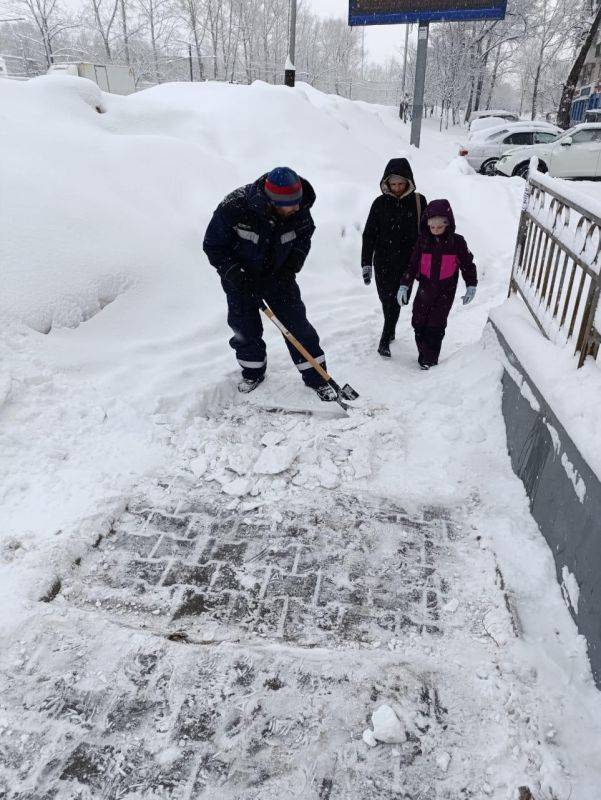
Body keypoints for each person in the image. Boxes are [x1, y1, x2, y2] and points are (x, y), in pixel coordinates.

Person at [203, 167, 336, 401]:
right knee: (244, 327)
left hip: (278, 278)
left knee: (297, 325)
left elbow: (302, 241)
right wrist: (235, 273)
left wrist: (290, 268)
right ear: (272, 200)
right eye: (290, 204)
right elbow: (213, 245)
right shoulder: (235, 207)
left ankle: (317, 375)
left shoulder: (301, 211)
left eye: (298, 202)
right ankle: (252, 371)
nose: (296, 208)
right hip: (240, 279)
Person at [397, 199, 477, 370]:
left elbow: (468, 265)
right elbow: (412, 265)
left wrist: (471, 285)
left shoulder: (457, 242)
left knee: (435, 326)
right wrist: (404, 284)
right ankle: (423, 353)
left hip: (445, 292)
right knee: (418, 322)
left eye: (440, 227)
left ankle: (429, 360)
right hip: (424, 289)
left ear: (448, 224)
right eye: (432, 227)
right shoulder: (423, 241)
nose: (436, 231)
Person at [361, 158, 426, 358]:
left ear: (409, 182)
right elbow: (369, 234)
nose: (397, 188)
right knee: (386, 299)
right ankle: (391, 328)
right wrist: (366, 263)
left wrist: (425, 263)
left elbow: (427, 233)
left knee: (396, 299)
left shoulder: (419, 201)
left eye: (401, 184)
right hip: (382, 261)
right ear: (386, 184)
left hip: (408, 261)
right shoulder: (379, 203)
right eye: (393, 184)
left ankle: (385, 338)